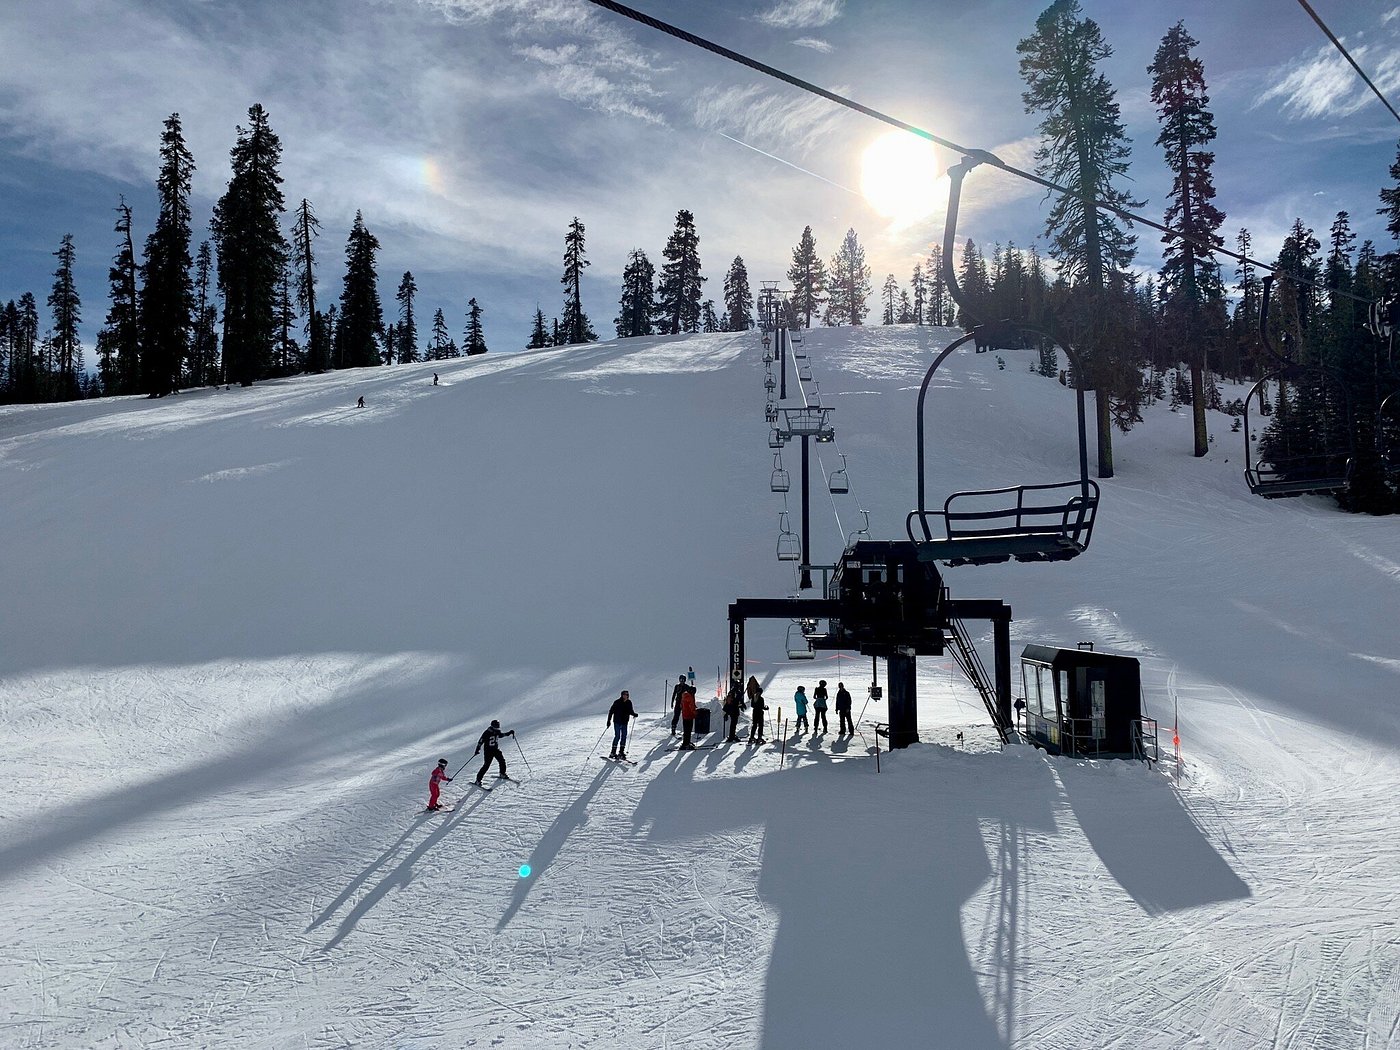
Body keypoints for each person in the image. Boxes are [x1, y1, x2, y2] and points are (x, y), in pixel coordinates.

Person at [474, 719, 514, 785]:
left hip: (495, 749)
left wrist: (509, 733)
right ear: (493, 726)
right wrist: (477, 749)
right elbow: (481, 741)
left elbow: (501, 735)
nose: (497, 727)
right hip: (488, 751)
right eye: (496, 726)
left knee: (502, 761)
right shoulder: (487, 732)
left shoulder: (497, 731)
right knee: (486, 765)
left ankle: (502, 773)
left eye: (498, 726)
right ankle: (478, 780)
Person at [607, 690, 637, 760]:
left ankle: (621, 752)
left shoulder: (629, 702)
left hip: (624, 722)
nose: (625, 696)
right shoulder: (617, 702)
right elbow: (611, 711)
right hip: (617, 722)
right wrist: (608, 721)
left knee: (624, 736)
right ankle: (613, 752)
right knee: (617, 736)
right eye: (624, 694)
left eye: (626, 695)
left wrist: (634, 714)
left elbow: (630, 711)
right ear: (621, 695)